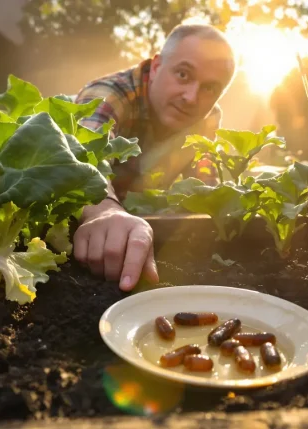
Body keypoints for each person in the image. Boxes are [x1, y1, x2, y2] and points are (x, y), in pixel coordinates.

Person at [72, 23, 237, 292]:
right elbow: (83, 152)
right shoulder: (111, 93)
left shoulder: (208, 119)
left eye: (209, 89)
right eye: (183, 74)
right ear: (157, 66)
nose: (191, 97)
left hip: (139, 217)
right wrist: (104, 209)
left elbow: (204, 181)